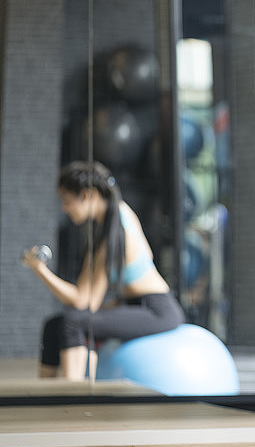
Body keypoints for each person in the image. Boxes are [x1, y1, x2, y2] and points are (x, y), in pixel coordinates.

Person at [22, 161, 184, 381]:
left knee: (73, 322)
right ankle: (45, 395)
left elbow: (83, 301)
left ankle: (72, 395)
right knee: (53, 325)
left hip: (157, 310)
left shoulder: (115, 232)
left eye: (67, 201)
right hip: (132, 305)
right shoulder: (115, 217)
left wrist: (40, 269)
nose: (64, 208)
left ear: (87, 195)